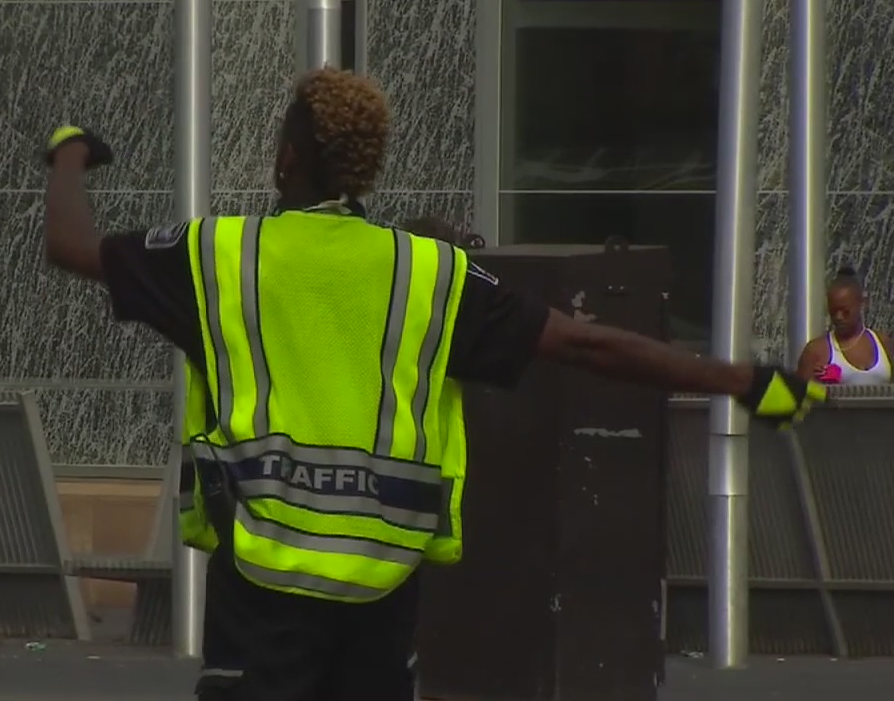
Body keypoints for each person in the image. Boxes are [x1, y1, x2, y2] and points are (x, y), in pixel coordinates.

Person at [41, 68, 824, 701]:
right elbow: (587, 344)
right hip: (383, 589)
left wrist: (70, 154)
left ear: (287, 158)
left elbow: (72, 245)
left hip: (264, 587)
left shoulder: (220, 257)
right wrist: (744, 380)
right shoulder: (431, 274)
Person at [796, 266, 892, 385]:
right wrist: (820, 384)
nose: (838, 317)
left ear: (862, 303)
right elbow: (800, 393)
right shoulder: (817, 351)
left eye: (845, 311)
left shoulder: (884, 344)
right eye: (833, 311)